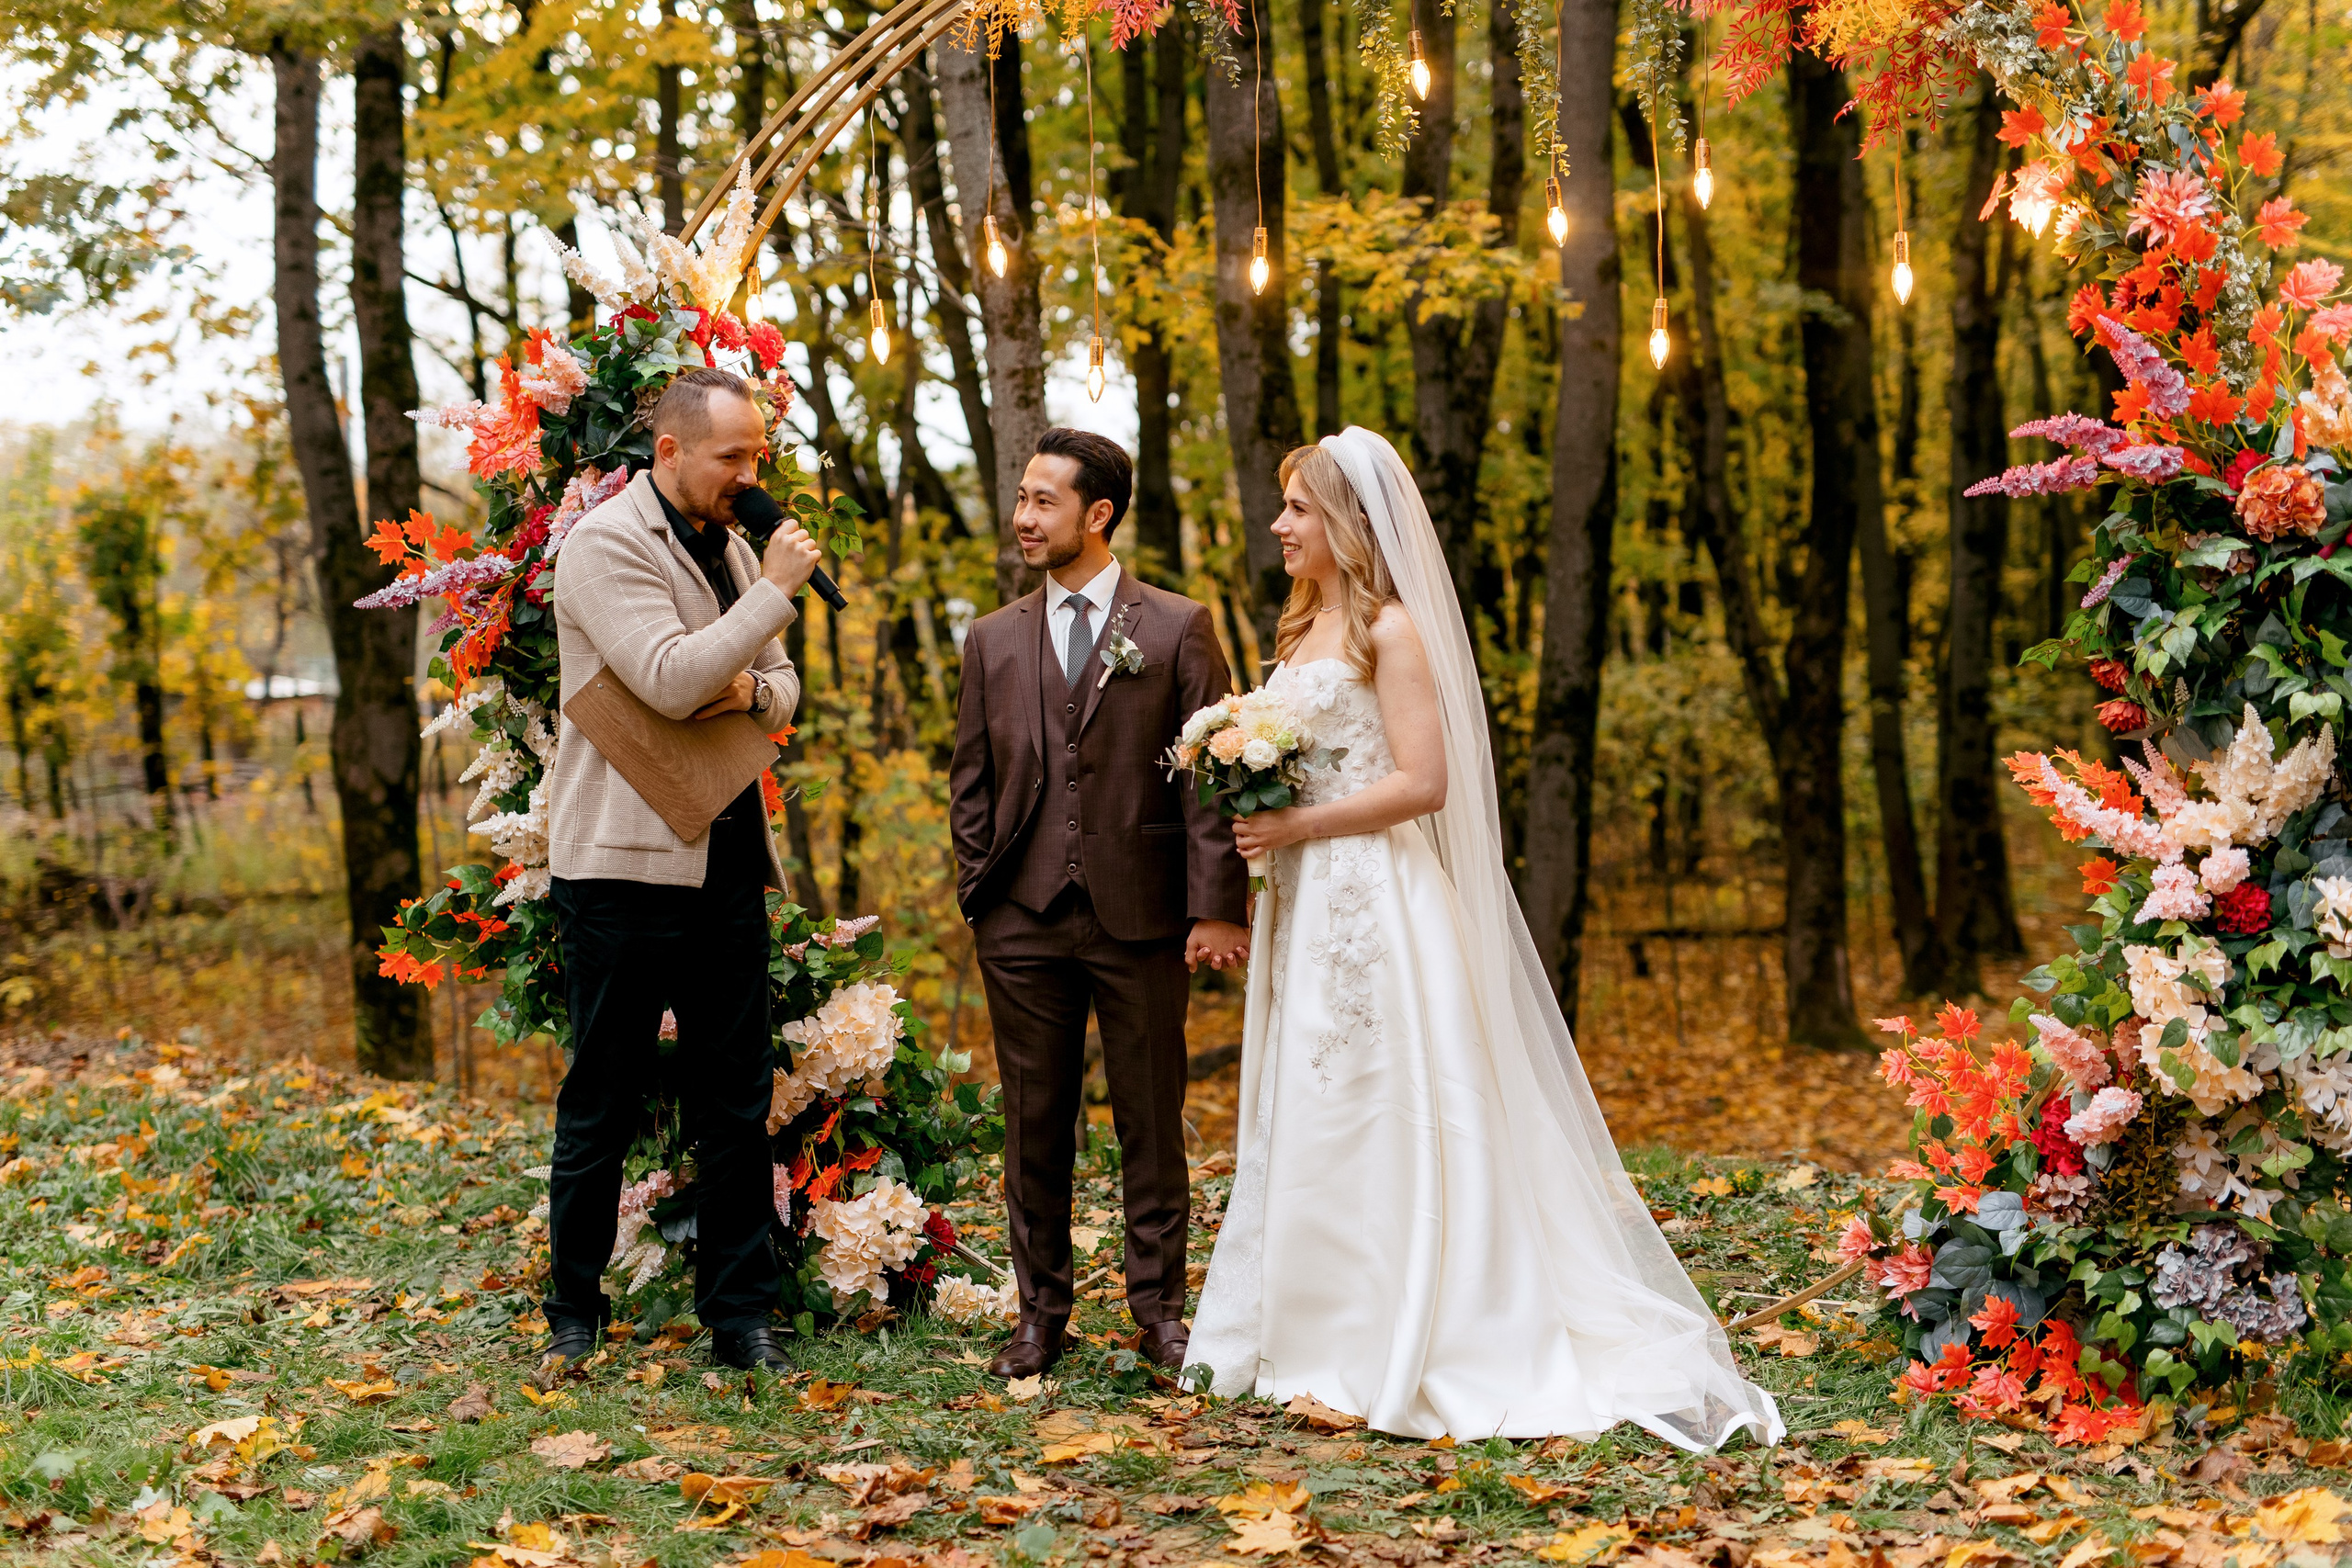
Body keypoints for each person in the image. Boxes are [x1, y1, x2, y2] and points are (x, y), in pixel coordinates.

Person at [1187, 429, 1782, 1450]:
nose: (1278, 526)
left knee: (1390, 1099)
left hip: (1377, 898)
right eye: (1282, 508)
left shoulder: (1395, 630)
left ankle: (1420, 1324)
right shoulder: (1297, 632)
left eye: (1296, 510)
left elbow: (1424, 783)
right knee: (1314, 1096)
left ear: (1346, 523)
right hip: (1307, 899)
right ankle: (1309, 1326)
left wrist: (1297, 824)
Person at [536, 366, 824, 1384]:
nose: (749, 477)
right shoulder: (604, 548)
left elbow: (776, 692)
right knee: (601, 1098)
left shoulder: (735, 546)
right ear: (668, 452)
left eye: (758, 457)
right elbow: (665, 680)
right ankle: (574, 1311)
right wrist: (767, 607)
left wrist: (740, 673)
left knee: (735, 1100)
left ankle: (740, 1316)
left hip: (727, 854)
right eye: (731, 458)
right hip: (622, 865)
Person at [948, 429, 1250, 1379]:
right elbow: (972, 779)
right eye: (1022, 499)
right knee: (1034, 1124)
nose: (1023, 517)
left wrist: (1215, 908)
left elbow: (1212, 778)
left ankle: (1159, 1313)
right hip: (1021, 918)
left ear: (1098, 514)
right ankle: (1040, 1316)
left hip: (1144, 915)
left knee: (1150, 1124)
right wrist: (980, 894)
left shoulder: (1177, 626)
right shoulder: (992, 638)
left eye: (1043, 501)